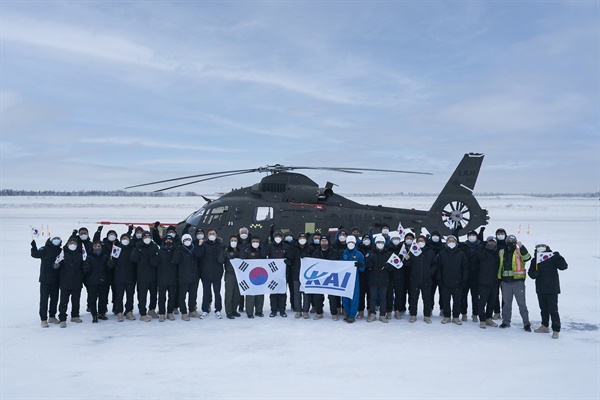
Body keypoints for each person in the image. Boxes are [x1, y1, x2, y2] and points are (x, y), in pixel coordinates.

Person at [528, 239, 568, 339]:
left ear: (546, 246)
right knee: (543, 309)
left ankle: (556, 330)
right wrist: (534, 274)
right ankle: (544, 326)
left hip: (552, 288)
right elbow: (530, 273)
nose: (540, 247)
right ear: (536, 248)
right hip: (540, 288)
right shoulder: (535, 259)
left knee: (553, 310)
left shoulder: (553, 257)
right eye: (538, 246)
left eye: (542, 245)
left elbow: (563, 266)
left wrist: (559, 257)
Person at [497, 234, 532, 331]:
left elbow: (527, 258)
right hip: (505, 282)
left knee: (522, 304)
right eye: (509, 240)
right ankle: (506, 322)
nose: (511, 242)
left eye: (513, 240)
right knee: (506, 304)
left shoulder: (519, 251)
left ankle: (526, 323)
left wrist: (522, 247)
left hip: (518, 282)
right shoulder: (501, 252)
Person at [403, 235, 437, 324]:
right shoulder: (413, 251)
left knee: (427, 299)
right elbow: (408, 265)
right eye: (419, 241)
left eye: (422, 240)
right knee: (413, 298)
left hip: (427, 280)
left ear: (425, 242)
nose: (421, 242)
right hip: (414, 279)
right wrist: (406, 260)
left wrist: (430, 272)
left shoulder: (430, 252)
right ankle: (413, 315)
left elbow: (435, 264)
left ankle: (426, 316)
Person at [31, 235, 62, 327]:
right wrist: (33, 247)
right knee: (44, 300)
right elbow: (35, 254)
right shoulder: (44, 249)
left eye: (58, 239)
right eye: (54, 239)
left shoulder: (61, 251)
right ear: (50, 240)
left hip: (56, 279)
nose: (56, 241)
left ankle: (52, 316)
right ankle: (43, 319)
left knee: (55, 299)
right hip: (45, 279)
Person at [437, 235, 469, 325]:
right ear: (446, 243)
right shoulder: (442, 253)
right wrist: (439, 279)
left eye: (453, 241)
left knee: (457, 300)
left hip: (457, 282)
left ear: (456, 242)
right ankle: (447, 316)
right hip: (445, 282)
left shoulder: (461, 254)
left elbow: (465, 268)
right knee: (445, 300)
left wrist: (464, 280)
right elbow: (438, 267)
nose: (451, 242)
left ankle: (455, 317)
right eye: (449, 241)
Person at [262, 231, 292, 317]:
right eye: (276, 236)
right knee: (273, 292)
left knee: (282, 292)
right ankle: (273, 310)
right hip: (273, 273)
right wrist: (265, 245)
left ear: (282, 237)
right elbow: (263, 254)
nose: (278, 238)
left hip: (283, 273)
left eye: (279, 236)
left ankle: (282, 309)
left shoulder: (286, 246)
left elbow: (291, 257)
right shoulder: (270, 246)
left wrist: (288, 261)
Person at [310, 235, 341, 320]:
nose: (324, 242)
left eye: (325, 241)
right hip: (319, 277)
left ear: (328, 242)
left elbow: (338, 263)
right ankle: (319, 313)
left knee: (332, 296)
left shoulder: (334, 252)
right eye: (322, 241)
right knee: (317, 296)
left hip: (331, 277)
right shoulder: (316, 252)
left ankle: (334, 313)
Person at [56, 237, 85, 328]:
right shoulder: (63, 254)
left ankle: (75, 315)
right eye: (70, 242)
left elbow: (83, 268)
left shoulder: (81, 254)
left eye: (74, 243)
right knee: (64, 301)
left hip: (77, 281)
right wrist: (56, 265)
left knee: (76, 300)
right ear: (67, 244)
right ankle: (62, 318)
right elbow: (57, 266)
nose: (72, 244)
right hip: (65, 282)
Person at [131, 231, 159, 322]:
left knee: (154, 295)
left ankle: (152, 309)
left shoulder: (154, 246)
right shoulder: (138, 247)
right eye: (145, 237)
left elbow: (157, 260)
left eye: (148, 237)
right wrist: (137, 249)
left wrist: (153, 258)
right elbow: (133, 259)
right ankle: (142, 313)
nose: (147, 239)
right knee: (142, 296)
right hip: (142, 276)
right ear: (142, 238)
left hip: (153, 275)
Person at [172, 234, 201, 321]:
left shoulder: (194, 249)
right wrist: (177, 251)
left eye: (189, 239)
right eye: (185, 240)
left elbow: (199, 257)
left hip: (194, 276)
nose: (187, 241)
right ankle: (184, 312)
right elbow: (175, 261)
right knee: (182, 296)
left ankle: (192, 310)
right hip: (183, 276)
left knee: (193, 295)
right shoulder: (180, 250)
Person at [108, 233, 137, 321]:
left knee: (130, 296)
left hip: (131, 277)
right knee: (119, 296)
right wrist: (111, 262)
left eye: (127, 238)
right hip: (119, 277)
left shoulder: (132, 249)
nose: (125, 240)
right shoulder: (116, 249)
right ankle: (119, 311)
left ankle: (129, 311)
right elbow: (111, 263)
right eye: (123, 238)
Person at [474, 237, 500, 329]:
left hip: (494, 281)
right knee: (482, 302)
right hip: (483, 281)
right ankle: (482, 319)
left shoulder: (497, 254)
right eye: (489, 242)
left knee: (492, 302)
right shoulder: (482, 252)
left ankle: (488, 318)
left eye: (493, 242)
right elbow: (477, 264)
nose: (491, 243)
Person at [198, 229, 225, 319]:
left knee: (217, 292)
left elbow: (222, 259)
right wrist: (199, 246)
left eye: (213, 233)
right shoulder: (204, 245)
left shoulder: (220, 246)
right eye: (210, 233)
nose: (211, 235)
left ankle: (218, 309)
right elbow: (199, 255)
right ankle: (205, 310)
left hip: (217, 273)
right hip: (206, 273)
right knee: (206, 292)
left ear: (216, 235)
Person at [365, 236, 393, 323]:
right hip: (373, 279)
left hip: (384, 279)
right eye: (378, 242)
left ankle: (382, 315)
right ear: (375, 243)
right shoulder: (370, 253)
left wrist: (388, 266)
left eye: (381, 242)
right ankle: (372, 313)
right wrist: (369, 261)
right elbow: (367, 265)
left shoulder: (388, 254)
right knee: (372, 298)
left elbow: (393, 266)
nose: (380, 244)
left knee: (383, 298)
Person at [83, 240, 110, 323]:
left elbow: (109, 268)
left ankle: (101, 313)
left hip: (104, 281)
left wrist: (110, 264)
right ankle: (94, 314)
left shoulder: (105, 256)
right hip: (92, 282)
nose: (97, 248)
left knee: (103, 299)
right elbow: (85, 270)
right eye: (95, 246)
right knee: (92, 299)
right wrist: (86, 267)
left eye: (98, 246)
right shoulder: (89, 257)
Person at [340, 236, 365, 323]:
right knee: (345, 297)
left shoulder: (358, 254)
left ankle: (352, 315)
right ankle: (347, 313)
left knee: (354, 297)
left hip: (354, 278)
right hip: (345, 278)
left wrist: (360, 265)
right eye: (349, 242)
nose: (351, 244)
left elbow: (363, 268)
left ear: (355, 243)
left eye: (352, 242)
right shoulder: (343, 253)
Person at [460, 230, 482, 322]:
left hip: (476, 276)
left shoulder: (480, 247)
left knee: (475, 297)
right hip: (465, 275)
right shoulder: (463, 246)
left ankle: (475, 314)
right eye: (470, 235)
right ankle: (464, 313)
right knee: (463, 296)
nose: (472, 236)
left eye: (474, 235)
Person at [156, 235, 179, 321]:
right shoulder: (160, 251)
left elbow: (176, 261)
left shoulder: (176, 251)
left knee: (172, 297)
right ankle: (162, 313)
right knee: (161, 297)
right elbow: (156, 263)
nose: (168, 241)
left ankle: (170, 312)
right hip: (162, 277)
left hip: (173, 277)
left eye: (170, 240)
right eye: (167, 240)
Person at [386, 232, 408, 319]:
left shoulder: (403, 249)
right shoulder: (387, 248)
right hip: (389, 275)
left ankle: (397, 310)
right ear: (391, 240)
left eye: (398, 239)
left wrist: (407, 260)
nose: (396, 240)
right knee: (389, 294)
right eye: (394, 238)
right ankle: (388, 310)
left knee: (399, 294)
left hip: (400, 275)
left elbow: (407, 263)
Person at [290, 233, 312, 319]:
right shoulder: (294, 249)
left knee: (306, 293)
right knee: (297, 293)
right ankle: (298, 310)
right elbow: (290, 257)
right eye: (300, 238)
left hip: (307, 275)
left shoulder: (310, 249)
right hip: (296, 273)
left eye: (304, 238)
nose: (302, 239)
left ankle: (305, 310)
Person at [243, 236, 265, 318]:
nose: (255, 243)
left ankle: (259, 311)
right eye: (254, 241)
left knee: (260, 293)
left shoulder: (262, 251)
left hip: (261, 275)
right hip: (250, 275)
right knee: (250, 294)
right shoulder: (247, 251)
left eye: (257, 241)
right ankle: (249, 312)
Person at [220, 235, 242, 319]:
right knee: (229, 293)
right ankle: (228, 311)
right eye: (232, 240)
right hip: (230, 274)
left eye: (235, 240)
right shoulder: (226, 250)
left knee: (237, 294)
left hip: (239, 274)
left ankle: (234, 310)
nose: (233, 242)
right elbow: (220, 260)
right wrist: (223, 253)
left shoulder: (240, 250)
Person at [427, 230, 444, 316]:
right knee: (430, 292)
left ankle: (443, 308)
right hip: (431, 273)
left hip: (442, 273)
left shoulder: (443, 247)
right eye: (434, 235)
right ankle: (429, 308)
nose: (435, 237)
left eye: (437, 236)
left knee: (443, 292)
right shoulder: (428, 246)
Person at [356, 234, 372, 319]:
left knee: (370, 294)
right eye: (365, 239)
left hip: (371, 275)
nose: (366, 240)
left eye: (368, 239)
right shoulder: (359, 250)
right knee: (361, 294)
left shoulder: (373, 249)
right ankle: (360, 311)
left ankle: (370, 310)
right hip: (361, 275)